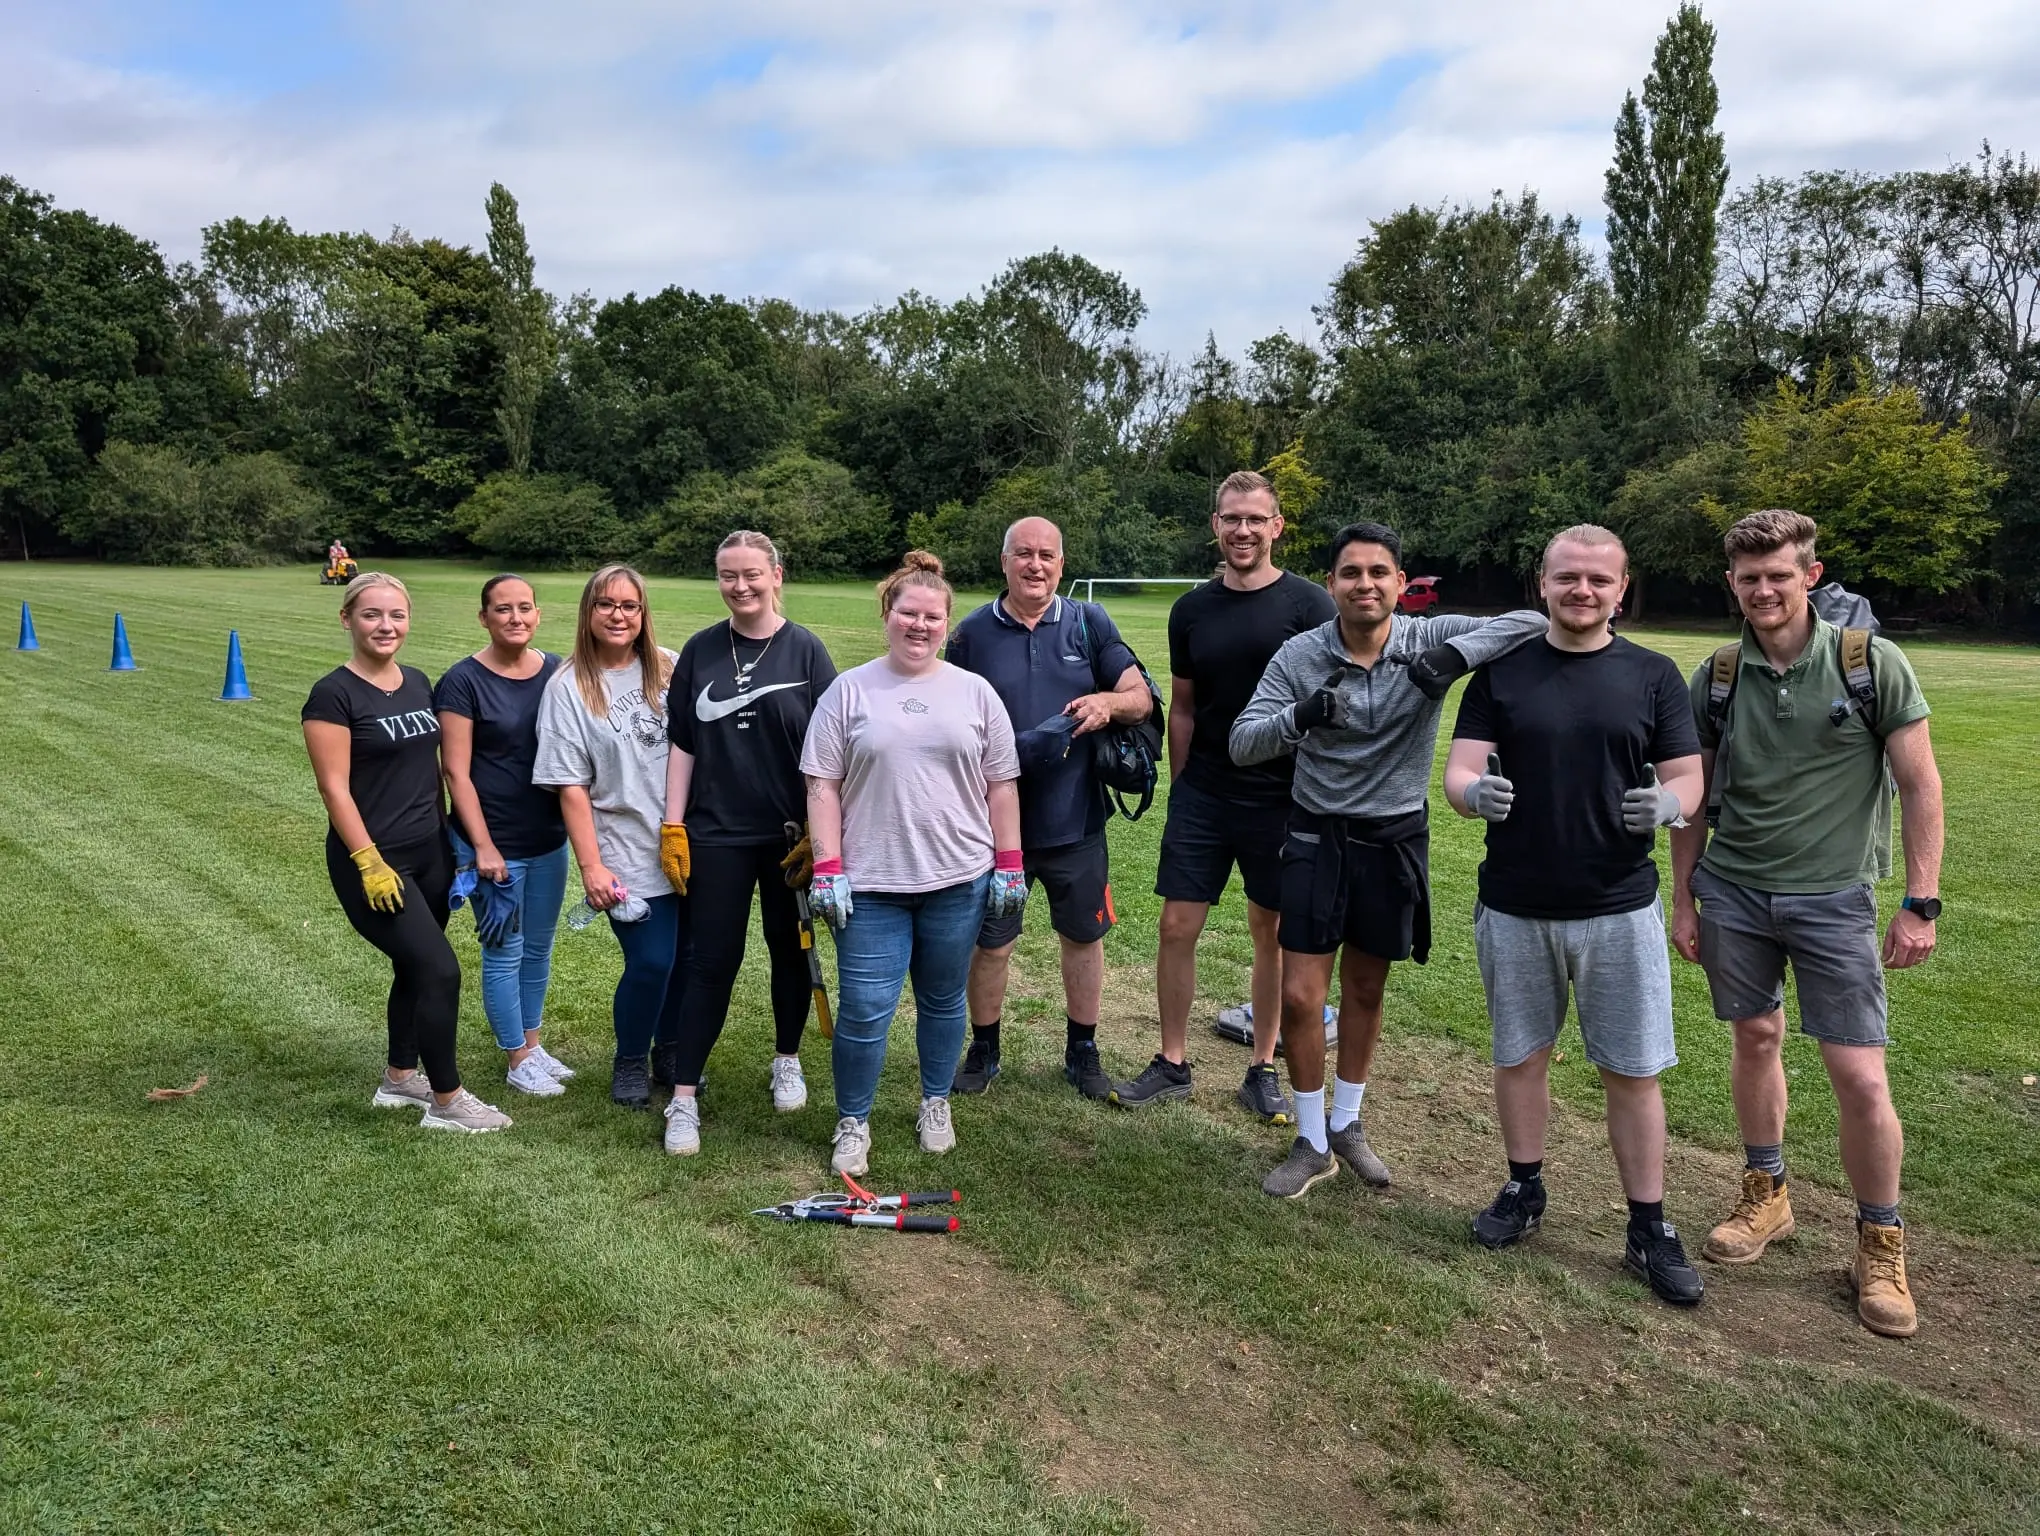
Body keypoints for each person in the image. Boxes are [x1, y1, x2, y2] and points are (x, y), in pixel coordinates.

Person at [1670, 510, 1942, 1339]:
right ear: (1732, 585)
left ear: (1810, 576)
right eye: (1748, 579)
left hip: (1835, 901)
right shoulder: (1716, 676)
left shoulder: (1869, 665)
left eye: (1779, 575)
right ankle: (1767, 1196)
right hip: (1737, 894)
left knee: (1858, 1075)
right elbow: (1691, 801)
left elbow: (1921, 784)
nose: (1763, 590)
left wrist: (1920, 900)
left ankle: (1880, 1239)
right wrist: (1684, 899)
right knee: (1754, 1039)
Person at [1231, 522, 1544, 1199]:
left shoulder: (1424, 639)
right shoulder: (1299, 656)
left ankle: (1347, 1123)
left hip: (1393, 838)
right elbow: (1241, 743)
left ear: (1402, 585)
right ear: (1332, 585)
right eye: (1350, 573)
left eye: (1379, 572)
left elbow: (1529, 622)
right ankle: (1311, 1140)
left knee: (1366, 990)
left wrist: (1454, 658)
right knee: (1300, 994)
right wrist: (1301, 717)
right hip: (1316, 835)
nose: (1364, 584)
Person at [1442, 525, 1706, 1306]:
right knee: (1521, 1056)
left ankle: (1648, 1224)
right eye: (1568, 579)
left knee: (1631, 1069)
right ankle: (1525, 1189)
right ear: (1543, 585)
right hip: (1516, 904)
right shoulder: (1502, 671)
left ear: (1623, 590)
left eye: (1598, 580)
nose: (1582, 591)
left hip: (1618, 906)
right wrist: (1470, 796)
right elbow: (1460, 768)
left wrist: (1670, 803)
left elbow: (1689, 776)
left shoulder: (1653, 675)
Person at [1110, 469, 1335, 1122]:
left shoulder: (1308, 607)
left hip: (1281, 797)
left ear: (1276, 527)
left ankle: (1262, 1066)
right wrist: (1183, 789)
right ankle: (1173, 1061)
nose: (1242, 529)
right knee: (1177, 926)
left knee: (1271, 932)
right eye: (1231, 518)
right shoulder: (1192, 610)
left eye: (1254, 518)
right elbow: (1182, 708)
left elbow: (1327, 706)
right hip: (1205, 791)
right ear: (1216, 525)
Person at [800, 551, 1023, 1176]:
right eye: (908, 613)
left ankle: (934, 1101)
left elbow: (1001, 784)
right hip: (869, 884)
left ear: (947, 624)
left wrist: (1009, 863)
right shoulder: (849, 691)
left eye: (932, 617)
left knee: (944, 999)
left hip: (959, 878)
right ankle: (853, 1120)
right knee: (865, 1007)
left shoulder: (975, 693)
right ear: (888, 616)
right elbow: (822, 785)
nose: (919, 626)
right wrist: (827, 867)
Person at [943, 516, 1152, 1103]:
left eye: (1048, 556)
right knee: (991, 943)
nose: (1036, 565)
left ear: (1062, 565)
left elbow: (1140, 697)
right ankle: (984, 1046)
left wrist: (1109, 703)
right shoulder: (970, 635)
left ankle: (1082, 1047)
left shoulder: (1089, 622)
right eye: (1024, 554)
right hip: (990, 828)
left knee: (1083, 938)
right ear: (1004, 561)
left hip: (1076, 819)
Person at [302, 571, 510, 1133]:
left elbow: (439, 772)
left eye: (396, 615)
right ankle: (448, 1101)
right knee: (440, 970)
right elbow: (334, 788)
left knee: (416, 967)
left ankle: (399, 1077)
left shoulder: (418, 682)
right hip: (374, 861)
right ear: (347, 619)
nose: (385, 626)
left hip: (431, 852)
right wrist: (369, 861)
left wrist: (460, 848)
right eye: (371, 615)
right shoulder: (333, 694)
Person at [656, 531, 839, 1156]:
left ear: (777, 575)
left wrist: (823, 832)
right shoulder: (702, 652)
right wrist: (673, 825)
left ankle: (786, 1058)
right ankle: (683, 1097)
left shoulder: (808, 651)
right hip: (715, 834)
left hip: (790, 840)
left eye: (752, 575)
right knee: (711, 962)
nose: (741, 586)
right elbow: (682, 743)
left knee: (790, 954)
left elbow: (831, 754)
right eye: (728, 575)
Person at [532, 565, 687, 1111]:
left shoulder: (669, 667)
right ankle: (630, 1058)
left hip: (691, 841)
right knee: (650, 962)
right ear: (588, 611)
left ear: (643, 613)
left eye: (630, 606)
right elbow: (570, 788)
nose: (618, 615)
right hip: (625, 846)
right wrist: (592, 867)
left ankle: (671, 1049)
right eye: (606, 604)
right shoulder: (569, 688)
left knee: (687, 959)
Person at [435, 574, 574, 1099]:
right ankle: (515, 1057)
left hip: (548, 838)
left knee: (538, 948)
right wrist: (484, 846)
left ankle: (533, 1045)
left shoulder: (557, 671)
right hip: (493, 846)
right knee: (505, 951)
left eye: (524, 608)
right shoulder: (462, 681)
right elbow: (457, 772)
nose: (515, 618)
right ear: (484, 618)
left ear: (538, 614)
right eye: (502, 610)